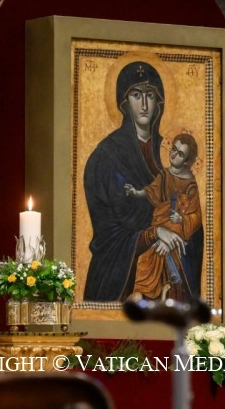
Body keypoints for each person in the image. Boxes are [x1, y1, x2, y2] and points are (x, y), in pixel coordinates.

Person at [82, 61, 187, 302]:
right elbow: (108, 232)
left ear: (159, 101)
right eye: (136, 95)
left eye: (150, 95)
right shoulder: (106, 156)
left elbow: (188, 209)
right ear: (124, 102)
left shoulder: (170, 153)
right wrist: (153, 233)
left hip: (168, 268)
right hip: (120, 273)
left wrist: (176, 226)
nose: (144, 105)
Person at [125, 132, 204, 301]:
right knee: (147, 257)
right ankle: (149, 291)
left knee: (155, 255)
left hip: (179, 229)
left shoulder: (190, 184)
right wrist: (136, 192)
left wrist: (182, 220)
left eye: (180, 154)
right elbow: (151, 191)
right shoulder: (164, 175)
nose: (174, 155)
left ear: (187, 161)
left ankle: (152, 289)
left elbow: (196, 216)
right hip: (161, 224)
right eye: (173, 149)